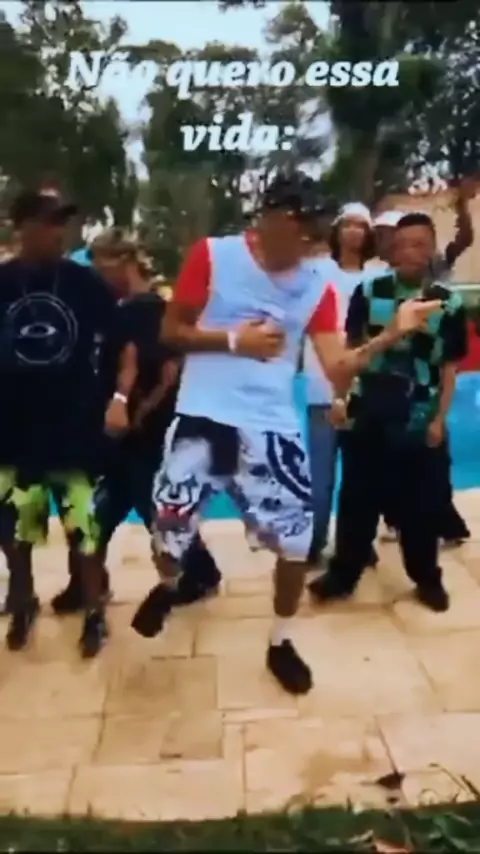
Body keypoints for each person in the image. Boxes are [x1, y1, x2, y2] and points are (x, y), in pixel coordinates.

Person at [128, 173, 442, 695]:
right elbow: (170, 332)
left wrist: (391, 334)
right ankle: (169, 584)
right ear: (272, 218)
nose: (313, 240)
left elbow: (337, 367)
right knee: (168, 532)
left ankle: (281, 640)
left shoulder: (316, 285)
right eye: (305, 226)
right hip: (203, 416)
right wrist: (235, 341)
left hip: (271, 425)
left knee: (296, 545)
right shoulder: (214, 256)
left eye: (317, 229)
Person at [51, 230, 221, 613]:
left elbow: (166, 372)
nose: (96, 278)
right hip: (122, 434)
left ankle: (199, 573)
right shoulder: (121, 310)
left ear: (125, 264)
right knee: (111, 510)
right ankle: (87, 582)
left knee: (148, 509)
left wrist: (131, 413)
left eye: (101, 268)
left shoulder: (146, 312)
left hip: (144, 434)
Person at [309, 212, 468, 613]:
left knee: (421, 510)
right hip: (368, 412)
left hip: (418, 417)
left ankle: (427, 578)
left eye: (420, 244)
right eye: (403, 244)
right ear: (391, 251)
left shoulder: (449, 304)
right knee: (356, 502)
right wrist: (340, 399)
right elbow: (351, 349)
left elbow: (449, 369)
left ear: (431, 250)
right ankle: (343, 574)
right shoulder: (369, 291)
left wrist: (439, 420)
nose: (410, 252)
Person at [0, 189, 116, 655]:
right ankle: (23, 600)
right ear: (23, 226)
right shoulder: (2, 281)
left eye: (62, 223)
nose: (59, 232)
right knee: (15, 526)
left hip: (73, 425)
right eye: (50, 222)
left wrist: (114, 397)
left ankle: (95, 611)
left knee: (81, 525)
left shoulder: (83, 282)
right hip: (12, 427)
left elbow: (119, 339)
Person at [304, 202, 374, 566]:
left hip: (365, 389)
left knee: (361, 476)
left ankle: (357, 545)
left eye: (361, 226)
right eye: (347, 224)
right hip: (322, 386)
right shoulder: (318, 271)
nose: (354, 232)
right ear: (337, 231)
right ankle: (313, 542)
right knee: (321, 476)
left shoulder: (378, 276)